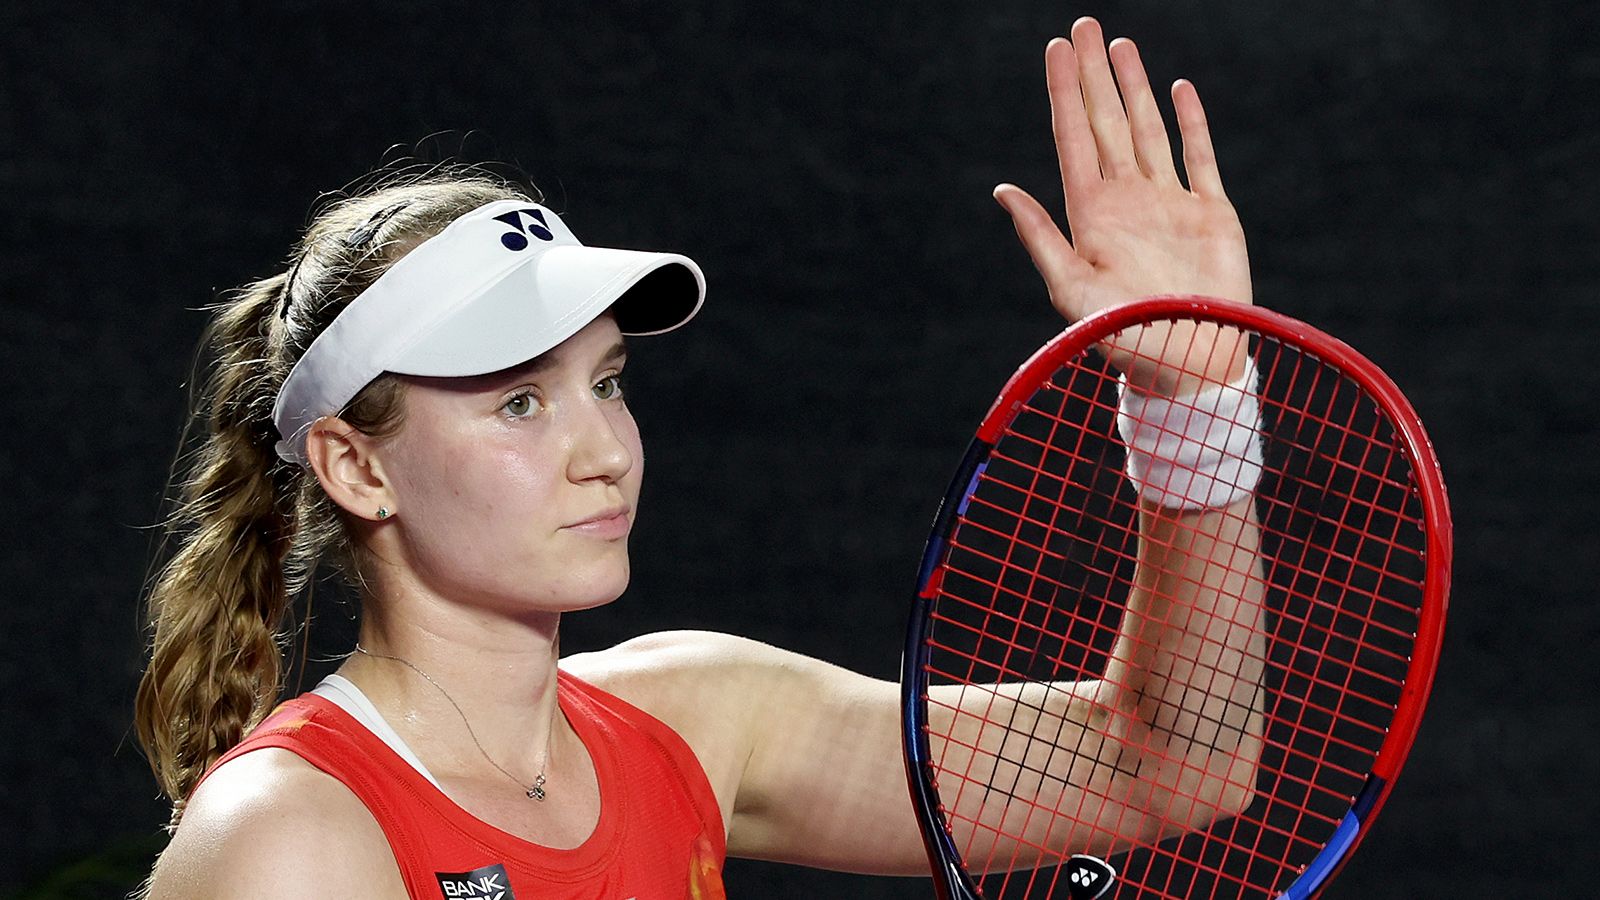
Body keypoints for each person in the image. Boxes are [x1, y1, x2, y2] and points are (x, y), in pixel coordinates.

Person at [135, 17, 1264, 899]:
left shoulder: (698, 717)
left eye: (607, 382)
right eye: (519, 401)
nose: (604, 451)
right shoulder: (290, 838)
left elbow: (1168, 758)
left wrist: (1194, 404)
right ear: (357, 468)